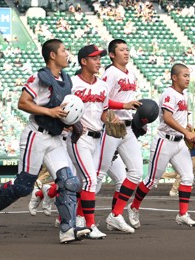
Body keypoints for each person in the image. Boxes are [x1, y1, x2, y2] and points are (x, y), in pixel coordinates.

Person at [0, 39, 91, 244]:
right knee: (23, 186)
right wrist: (49, 112)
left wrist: (70, 122)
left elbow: (61, 109)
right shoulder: (39, 78)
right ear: (52, 55)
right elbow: (23, 103)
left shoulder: (66, 79)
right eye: (64, 50)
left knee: (69, 181)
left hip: (55, 137)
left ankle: (68, 228)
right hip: (36, 136)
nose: (67, 54)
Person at [127, 64, 195, 227]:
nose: (187, 78)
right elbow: (168, 118)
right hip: (164, 142)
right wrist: (186, 133)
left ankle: (182, 214)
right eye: (184, 75)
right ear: (174, 77)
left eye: (188, 75)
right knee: (151, 180)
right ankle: (133, 207)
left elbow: (181, 116)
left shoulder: (183, 94)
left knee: (188, 177)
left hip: (179, 143)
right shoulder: (169, 94)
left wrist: (187, 127)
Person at [96, 39, 142, 234]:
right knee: (97, 175)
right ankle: (79, 216)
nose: (126, 52)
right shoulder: (110, 73)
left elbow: (129, 102)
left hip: (127, 127)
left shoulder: (131, 74)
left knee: (136, 173)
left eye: (127, 49)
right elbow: (102, 99)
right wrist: (123, 106)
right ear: (112, 55)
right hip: (111, 124)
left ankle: (115, 215)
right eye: (121, 49)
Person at [66, 44, 110, 239]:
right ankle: (90, 225)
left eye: (99, 58)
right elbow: (62, 109)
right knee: (90, 180)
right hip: (79, 138)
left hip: (97, 138)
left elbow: (104, 113)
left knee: (81, 181)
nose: (98, 61)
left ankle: (76, 218)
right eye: (94, 58)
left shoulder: (103, 86)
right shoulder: (72, 83)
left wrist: (113, 121)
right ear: (83, 61)